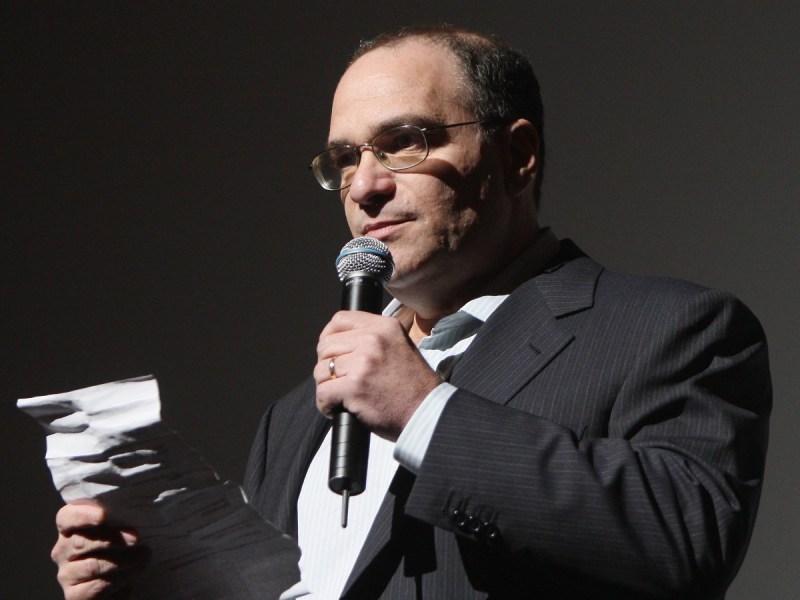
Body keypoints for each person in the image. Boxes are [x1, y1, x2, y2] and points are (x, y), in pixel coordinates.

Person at [50, 25, 771, 599]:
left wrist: (427, 413)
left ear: (517, 155)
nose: (363, 186)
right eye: (343, 158)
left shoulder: (670, 329)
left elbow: (686, 541)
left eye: (403, 144)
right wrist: (154, 586)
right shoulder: (298, 417)